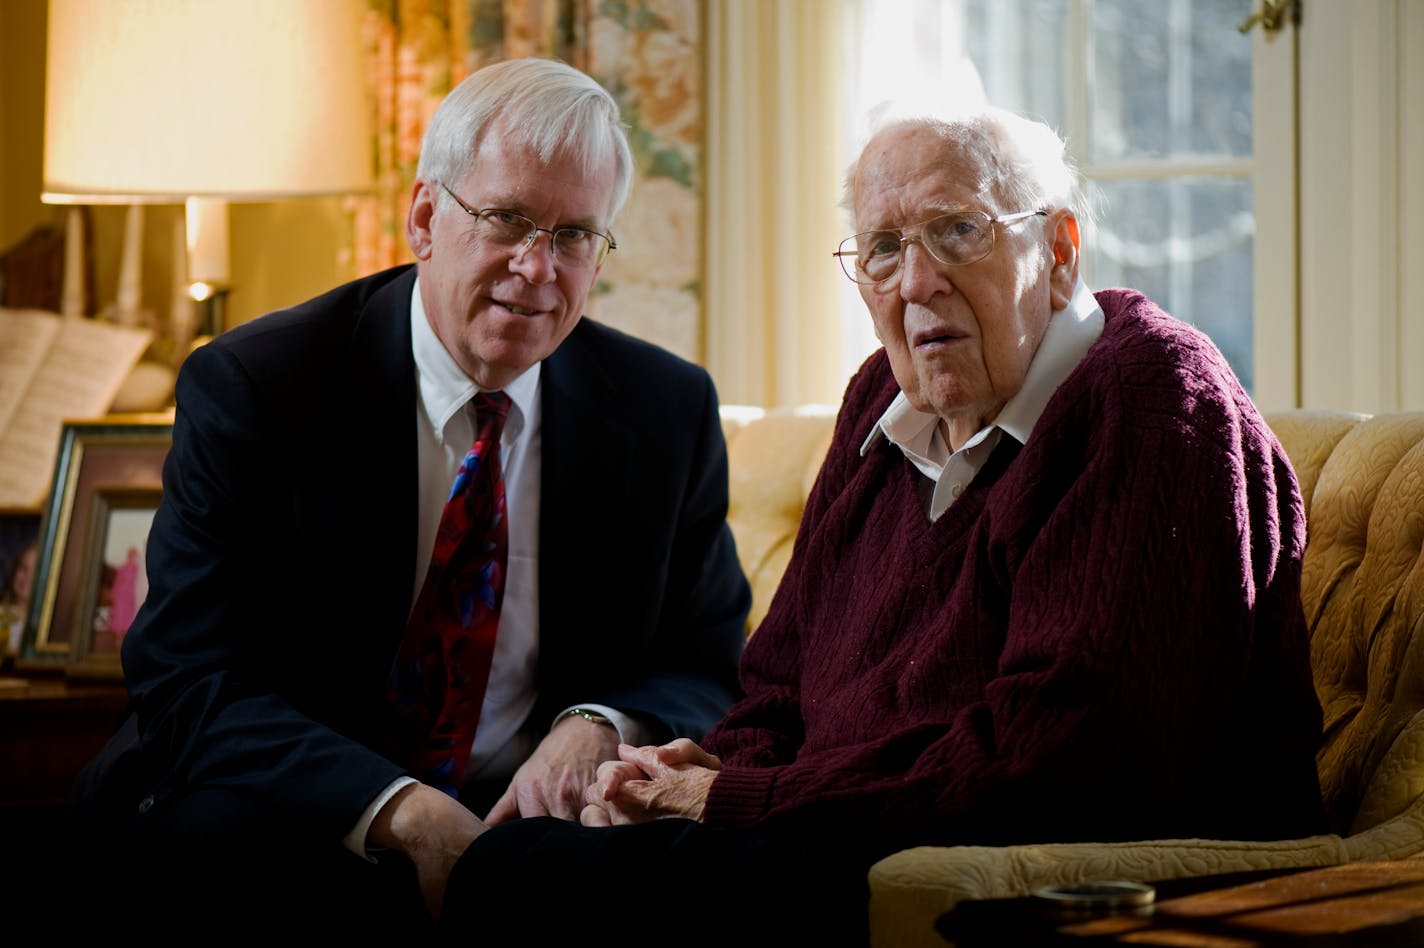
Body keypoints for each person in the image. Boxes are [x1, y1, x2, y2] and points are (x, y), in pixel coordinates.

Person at [428, 104, 1329, 945]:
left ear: (1059, 251)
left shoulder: (1150, 401)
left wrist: (739, 797)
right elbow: (778, 683)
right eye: (884, 248)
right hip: (850, 828)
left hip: (1054, 867)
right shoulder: (881, 400)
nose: (918, 280)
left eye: (957, 231)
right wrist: (678, 778)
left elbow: (1064, 757)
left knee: (529, 887)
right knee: (522, 858)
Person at [63, 57, 749, 937]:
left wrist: (597, 723)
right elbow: (188, 676)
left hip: (522, 813)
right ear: (425, 217)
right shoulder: (259, 387)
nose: (538, 269)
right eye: (508, 218)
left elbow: (708, 658)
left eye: (576, 236)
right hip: (290, 794)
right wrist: (403, 809)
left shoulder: (664, 408)